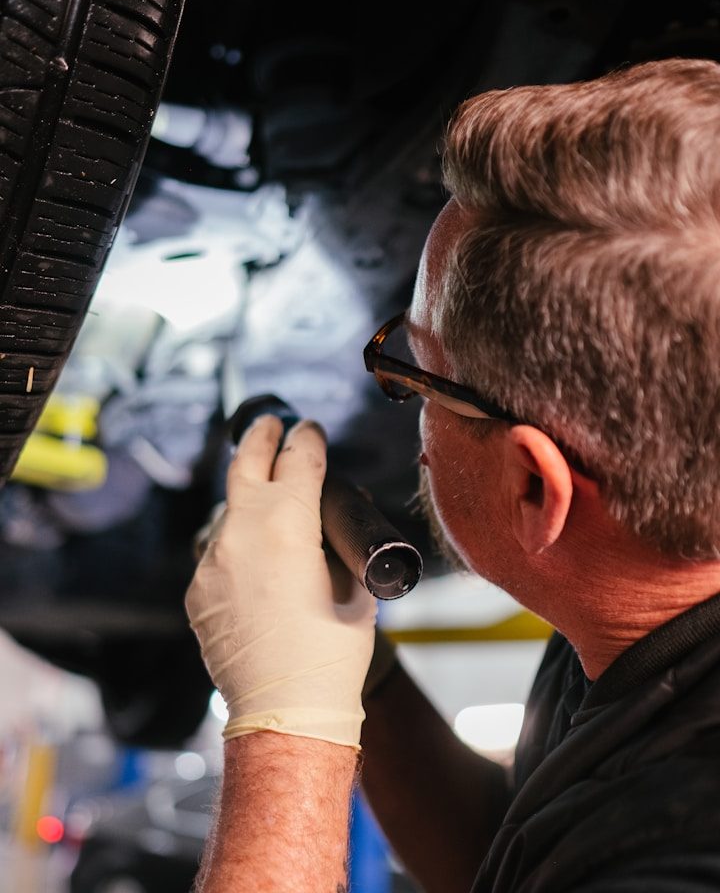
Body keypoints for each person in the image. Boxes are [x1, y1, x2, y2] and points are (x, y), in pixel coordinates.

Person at [185, 57, 720, 893]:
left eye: (415, 373)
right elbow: (506, 859)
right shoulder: (649, 619)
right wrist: (355, 670)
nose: (396, 395)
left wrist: (286, 727)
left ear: (537, 487)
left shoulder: (683, 857)